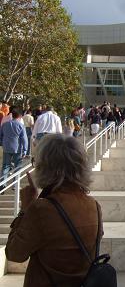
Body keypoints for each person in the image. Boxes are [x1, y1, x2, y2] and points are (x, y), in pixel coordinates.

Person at [5, 134, 102, 287]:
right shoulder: (93, 206)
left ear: (45, 167)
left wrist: (25, 209)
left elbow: (14, 253)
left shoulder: (42, 210)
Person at [0, 109, 28, 181]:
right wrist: (25, 150)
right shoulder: (21, 125)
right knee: (17, 167)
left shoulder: (5, 124)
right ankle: (15, 185)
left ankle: (2, 184)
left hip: (6, 147)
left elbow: (1, 135)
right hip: (17, 148)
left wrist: (2, 143)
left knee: (5, 166)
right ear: (20, 116)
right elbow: (24, 138)